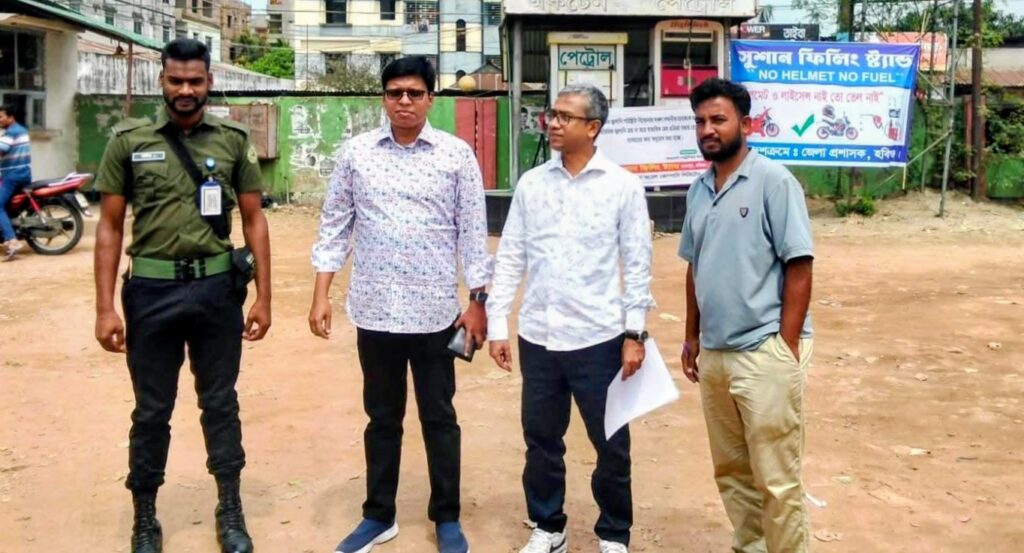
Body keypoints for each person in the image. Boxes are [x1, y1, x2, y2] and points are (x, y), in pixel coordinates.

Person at [93, 38, 272, 553]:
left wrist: (264, 297)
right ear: (163, 81)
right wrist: (105, 307)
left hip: (217, 292)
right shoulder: (128, 141)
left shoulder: (233, 140)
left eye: (195, 80)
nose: (186, 90)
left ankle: (230, 509)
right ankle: (145, 516)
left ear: (210, 81)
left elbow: (255, 220)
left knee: (220, 403)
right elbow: (109, 227)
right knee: (152, 410)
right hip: (151, 293)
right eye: (176, 81)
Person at [308, 56, 490, 553]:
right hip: (376, 311)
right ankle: (378, 516)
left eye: (414, 93)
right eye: (394, 93)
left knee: (439, 418)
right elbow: (335, 225)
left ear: (431, 98)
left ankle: (446, 517)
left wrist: (478, 301)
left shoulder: (455, 156)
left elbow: (474, 234)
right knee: (382, 418)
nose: (404, 101)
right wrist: (321, 294)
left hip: (436, 313)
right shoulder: (356, 154)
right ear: (383, 98)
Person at [488, 84, 655, 553]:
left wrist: (634, 333)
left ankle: (614, 533)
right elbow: (512, 255)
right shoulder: (532, 184)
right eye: (552, 114)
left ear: (593, 127)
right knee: (541, 439)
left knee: (611, 442)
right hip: (539, 336)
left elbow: (637, 263)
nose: (553, 123)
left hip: (598, 337)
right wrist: (498, 324)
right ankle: (549, 526)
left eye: (565, 116)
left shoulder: (622, 186)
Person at [679, 78, 815, 553]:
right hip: (715, 354)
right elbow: (695, 265)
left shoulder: (774, 181)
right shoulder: (699, 189)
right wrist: (692, 336)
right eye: (700, 121)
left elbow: (799, 264)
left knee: (776, 478)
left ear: (747, 124)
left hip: (763, 351)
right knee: (732, 472)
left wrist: (786, 346)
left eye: (718, 119)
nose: (708, 130)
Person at [0, 105, 32, 260]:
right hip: (23, 174)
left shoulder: (11, 132)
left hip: (13, 176)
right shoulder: (21, 130)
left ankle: (12, 240)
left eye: (1, 117)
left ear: (11, 117)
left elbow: (1, 149)